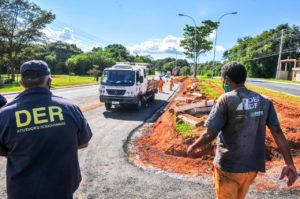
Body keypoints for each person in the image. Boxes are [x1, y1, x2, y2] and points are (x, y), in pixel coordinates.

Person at [187, 62, 297, 199]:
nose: (223, 83)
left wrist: (192, 146)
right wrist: (289, 163)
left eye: (222, 80)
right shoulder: (264, 101)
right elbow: (278, 132)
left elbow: (210, 133)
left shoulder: (225, 100)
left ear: (227, 79)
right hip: (251, 168)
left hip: (229, 167)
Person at [0, 60, 93, 199]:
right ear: (49, 81)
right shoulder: (70, 108)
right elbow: (83, 143)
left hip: (22, 191)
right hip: (62, 189)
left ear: (21, 83)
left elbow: (3, 151)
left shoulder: (4, 114)